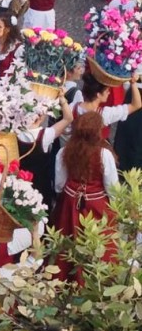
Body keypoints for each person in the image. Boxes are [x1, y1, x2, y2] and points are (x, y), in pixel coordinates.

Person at [53, 112, 118, 281]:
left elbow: (59, 185)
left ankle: (66, 280)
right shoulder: (105, 155)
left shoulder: (63, 152)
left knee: (67, 245)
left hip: (69, 202)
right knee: (98, 246)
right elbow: (112, 188)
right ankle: (95, 282)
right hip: (97, 205)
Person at [17, 93, 73, 212]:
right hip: (40, 185)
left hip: (18, 183)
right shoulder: (44, 135)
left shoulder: (15, 132)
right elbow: (68, 118)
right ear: (41, 116)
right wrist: (62, 99)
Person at [71, 71, 141, 139]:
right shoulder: (105, 114)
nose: (109, 93)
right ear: (98, 94)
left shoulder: (72, 107)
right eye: (107, 91)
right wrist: (133, 83)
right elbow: (136, 105)